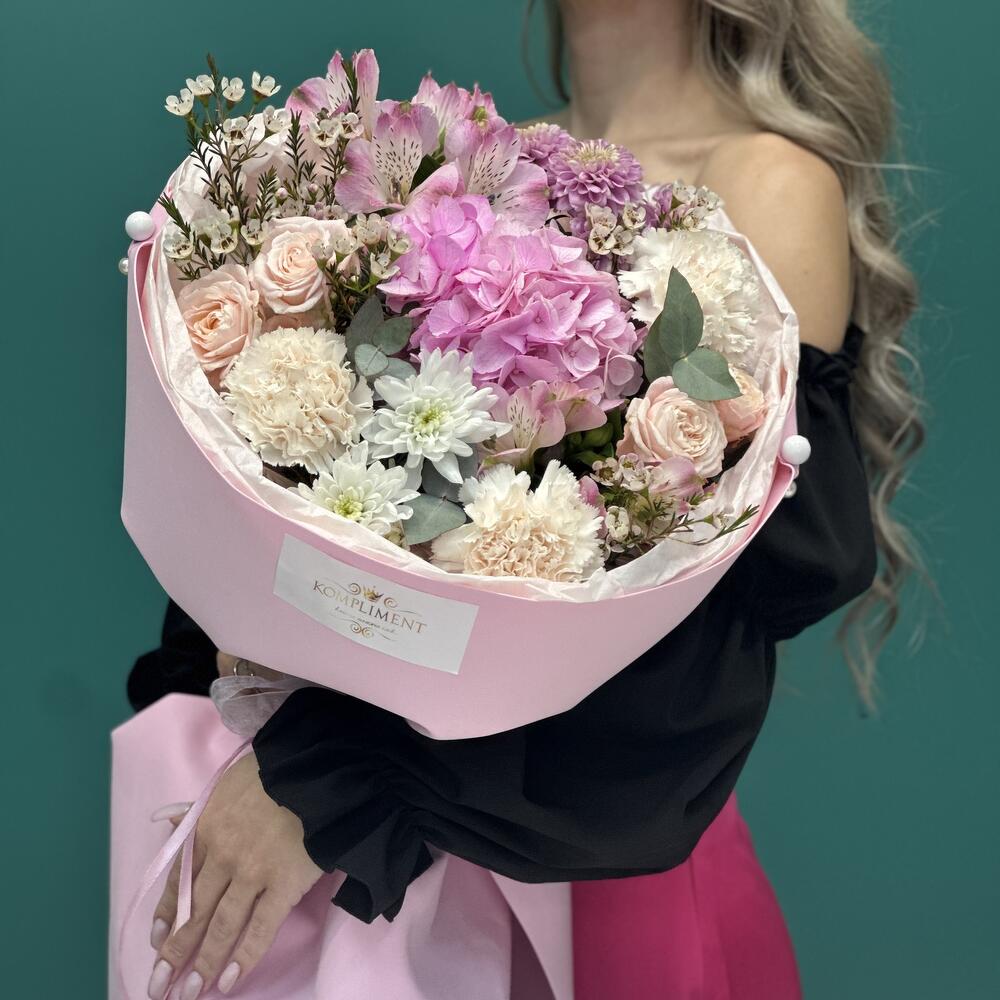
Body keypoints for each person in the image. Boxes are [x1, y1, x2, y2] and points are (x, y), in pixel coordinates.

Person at [127, 1, 924, 997]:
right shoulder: (476, 161)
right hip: (387, 891)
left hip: (604, 891)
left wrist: (331, 782)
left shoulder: (765, 180)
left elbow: (707, 623)